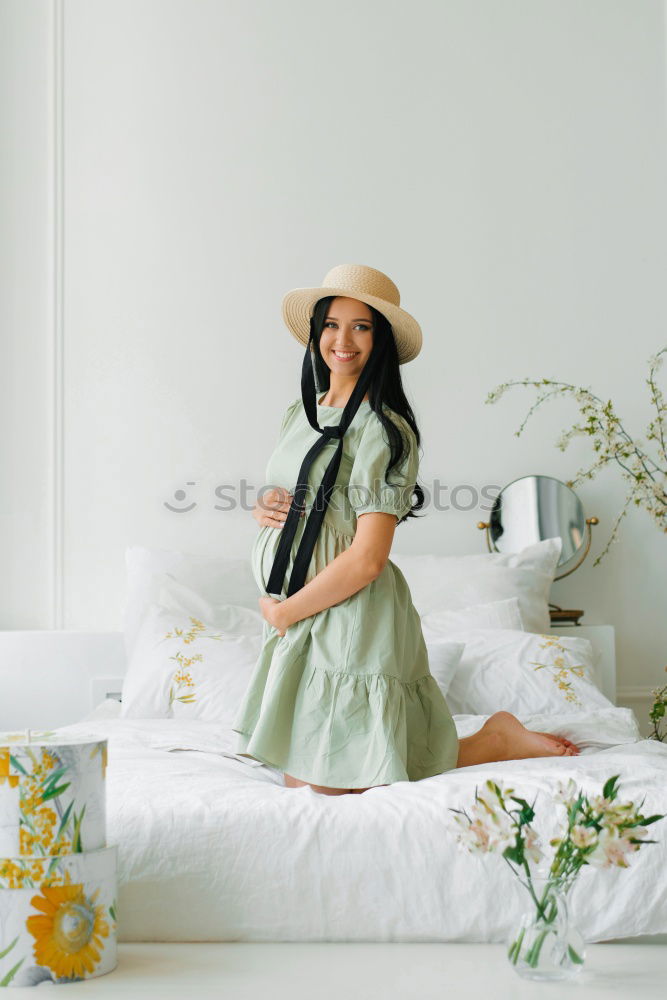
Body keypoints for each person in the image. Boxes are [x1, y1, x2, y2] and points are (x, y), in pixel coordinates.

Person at [231, 264, 579, 795]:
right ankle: (494, 739)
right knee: (311, 776)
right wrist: (267, 506)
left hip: (345, 614)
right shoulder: (299, 414)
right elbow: (296, 488)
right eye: (331, 323)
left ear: (382, 339)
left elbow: (369, 557)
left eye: (361, 326)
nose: (342, 340)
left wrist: (285, 611)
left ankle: (496, 742)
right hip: (296, 614)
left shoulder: (383, 428)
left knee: (327, 788)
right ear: (315, 331)